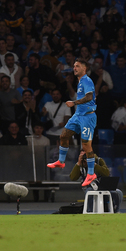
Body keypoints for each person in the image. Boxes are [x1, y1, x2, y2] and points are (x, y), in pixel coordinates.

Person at [47, 58, 98, 187]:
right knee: (64, 136)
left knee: (86, 146)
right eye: (74, 66)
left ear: (84, 68)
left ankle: (91, 173)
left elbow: (89, 97)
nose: (74, 68)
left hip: (87, 117)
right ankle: (61, 161)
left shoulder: (87, 80)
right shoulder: (80, 81)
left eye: (77, 66)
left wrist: (74, 103)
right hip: (78, 115)